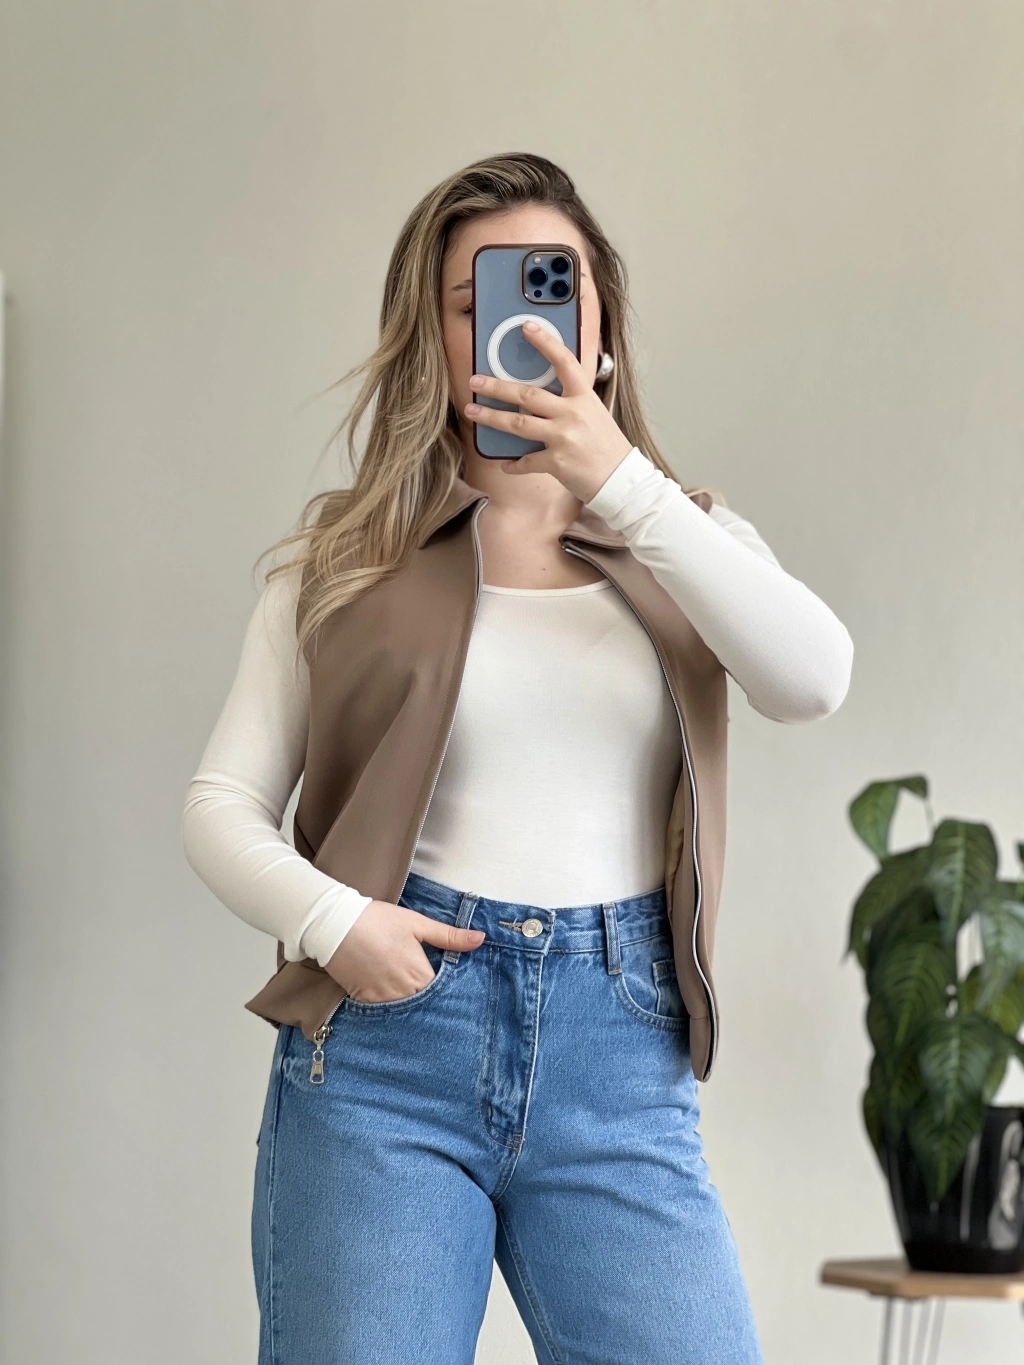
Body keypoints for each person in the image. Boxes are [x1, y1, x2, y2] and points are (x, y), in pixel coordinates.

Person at [182, 152, 853, 1365]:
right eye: (477, 298)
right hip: (389, 1051)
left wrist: (621, 483)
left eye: (560, 285)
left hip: (621, 1050)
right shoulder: (344, 559)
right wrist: (337, 923)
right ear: (433, 340)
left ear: (601, 325)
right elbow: (220, 805)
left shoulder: (687, 536)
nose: (527, 322)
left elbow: (811, 682)